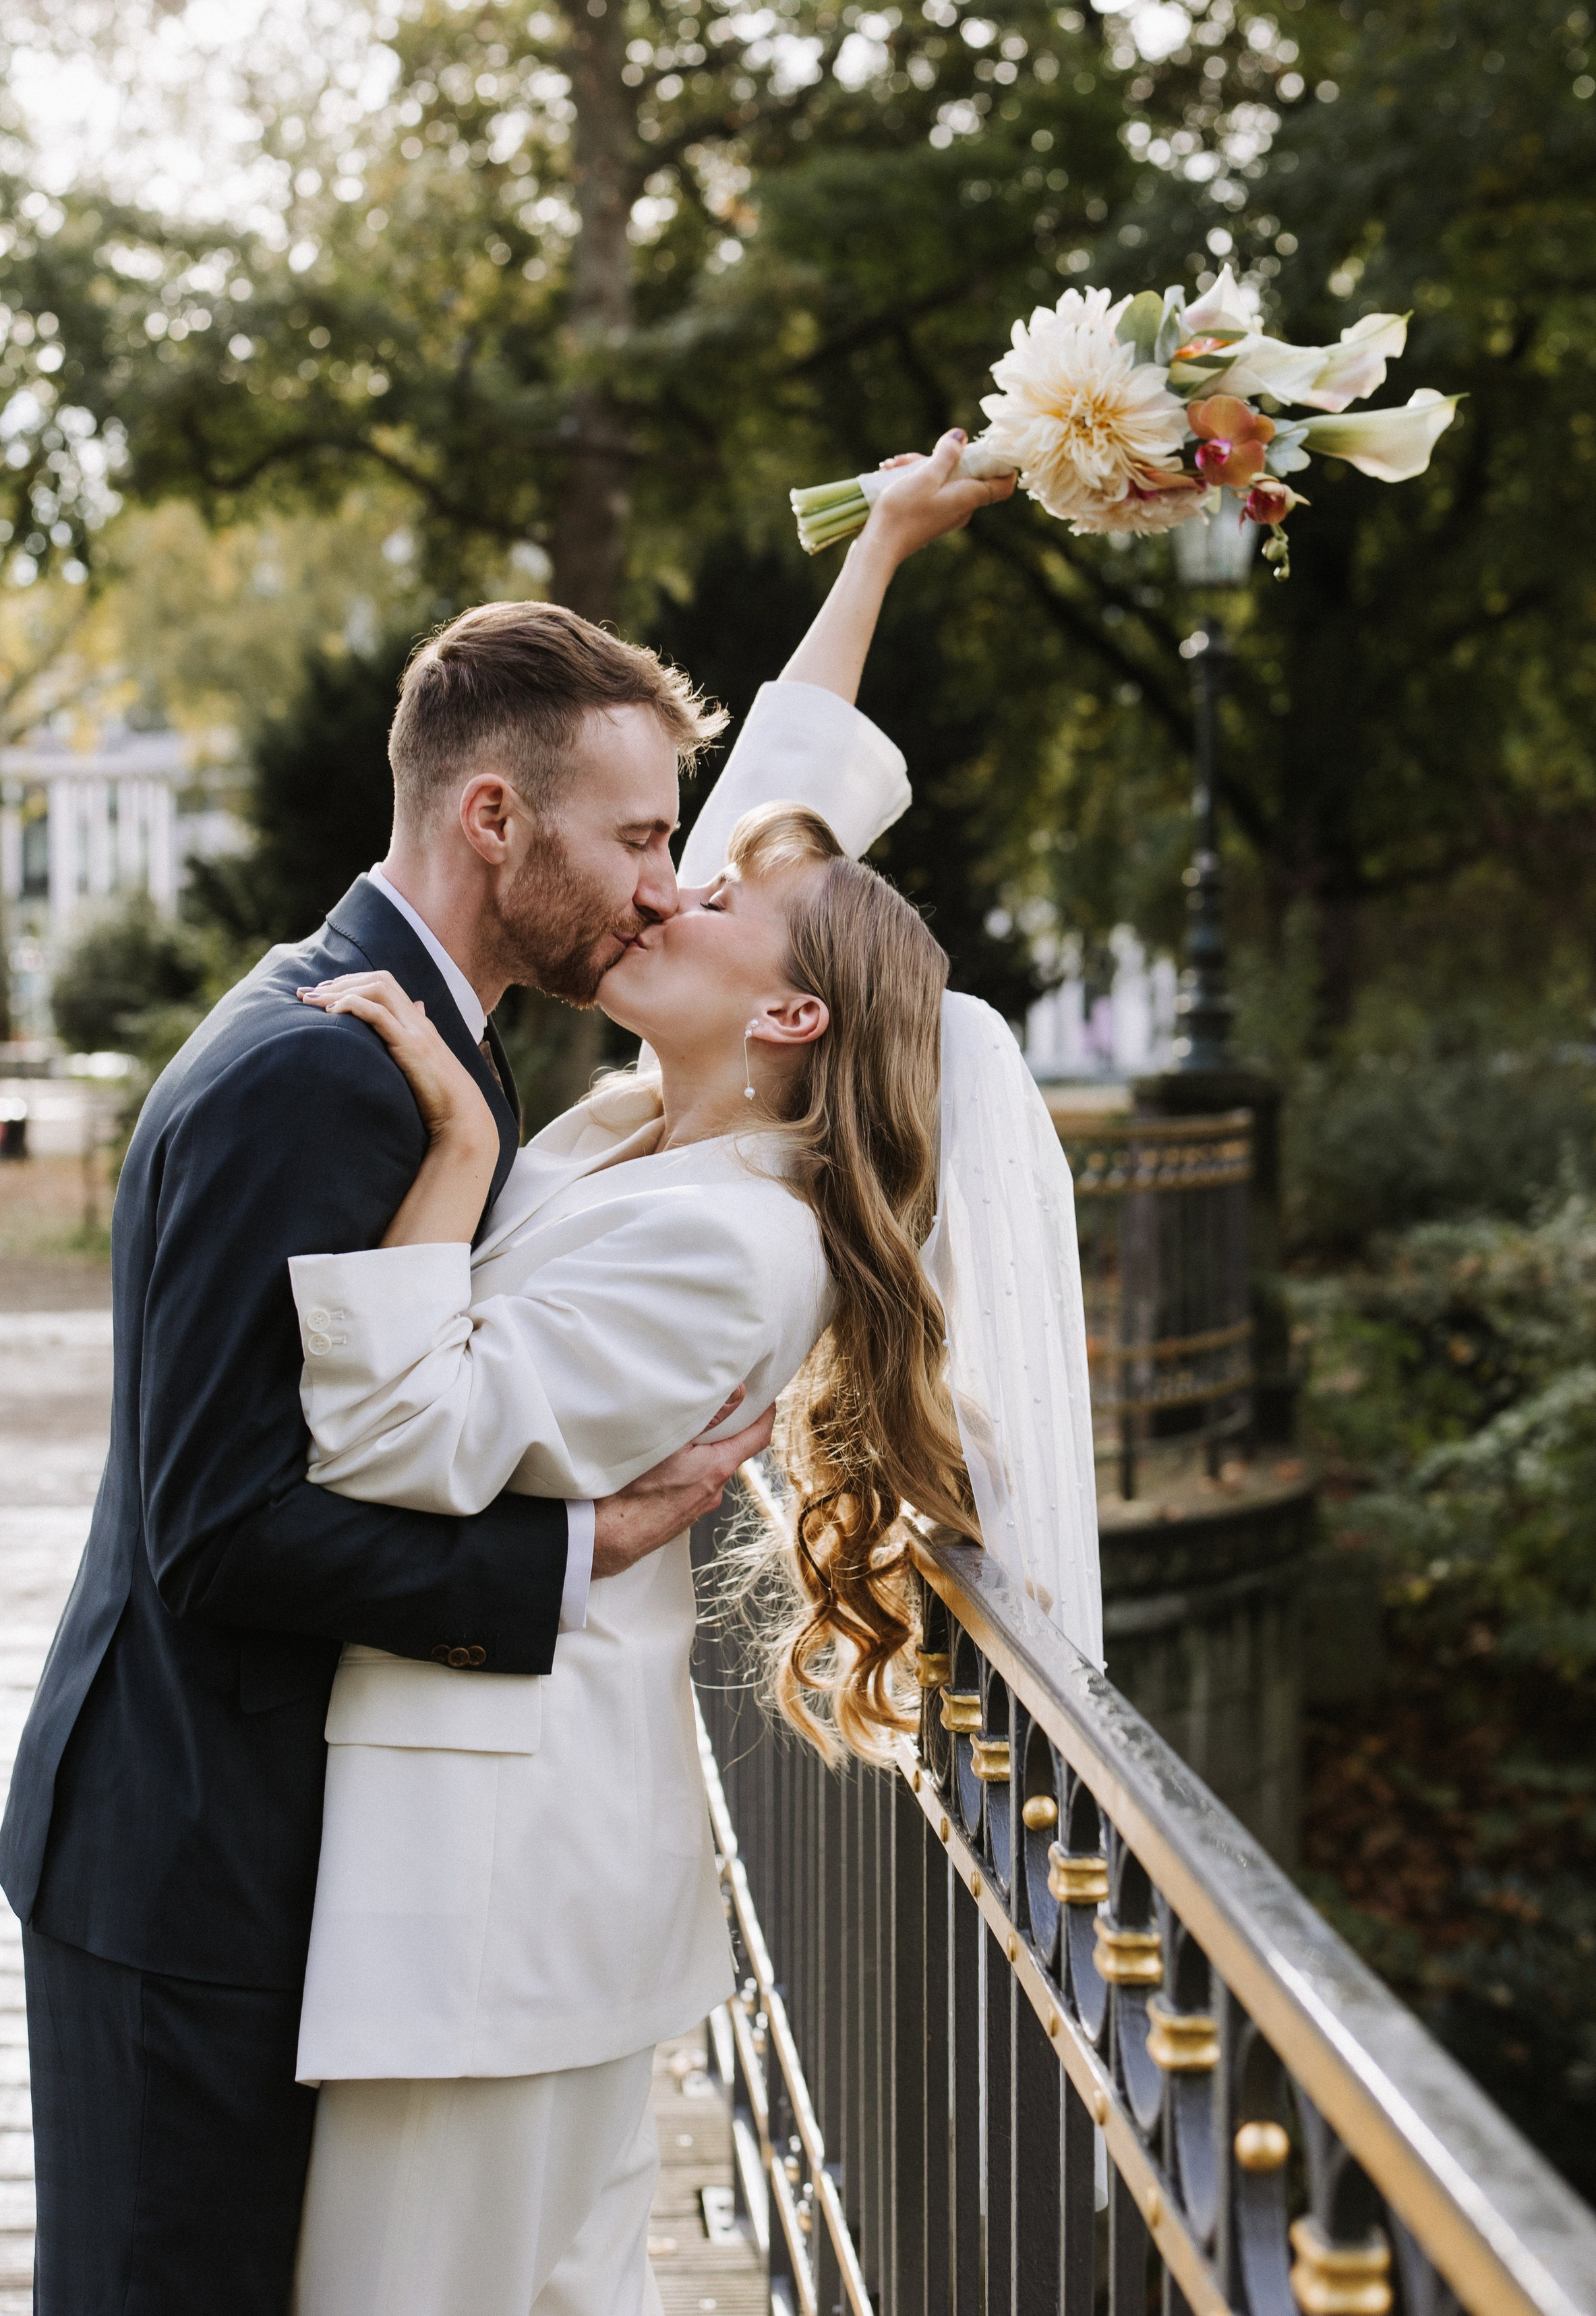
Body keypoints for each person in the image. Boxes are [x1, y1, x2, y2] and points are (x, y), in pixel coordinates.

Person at [0, 431, 1003, 2316]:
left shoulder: (540, 1082)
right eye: (639, 848)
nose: (661, 889)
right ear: (493, 825)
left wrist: (881, 549)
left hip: (309, 1858)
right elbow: (225, 1530)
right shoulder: (336, 1069)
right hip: (195, 1851)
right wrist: (583, 1549)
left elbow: (772, 858)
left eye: (674, 863)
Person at [275, 439, 1103, 2315]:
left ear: (792, 1015)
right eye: (675, 867)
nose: (668, 894)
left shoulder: (738, 1239)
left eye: (710, 899)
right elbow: (785, 783)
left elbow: (406, 1434)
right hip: (497, 1871)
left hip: (497, 1888)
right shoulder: (661, 1132)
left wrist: (460, 1166)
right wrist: (886, 539)